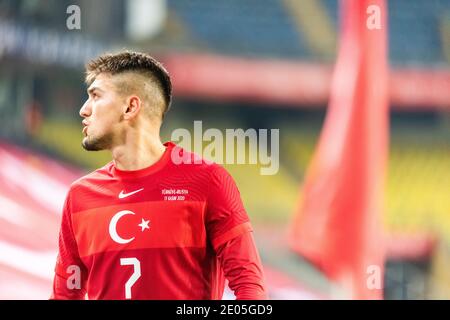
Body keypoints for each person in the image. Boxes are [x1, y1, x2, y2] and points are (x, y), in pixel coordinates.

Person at [51, 51, 267, 300]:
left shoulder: (208, 181)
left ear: (130, 107)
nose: (83, 110)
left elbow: (250, 287)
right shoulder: (80, 196)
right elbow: (65, 295)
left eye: (95, 96)